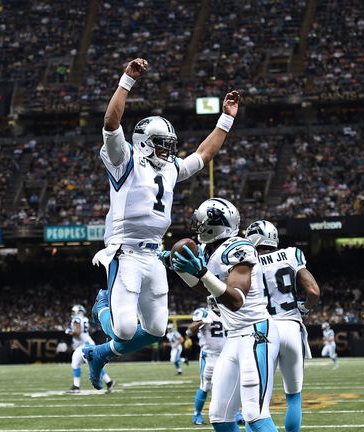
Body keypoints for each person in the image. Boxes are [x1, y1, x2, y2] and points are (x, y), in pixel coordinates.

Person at [82, 57, 239, 389]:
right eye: (163, 145)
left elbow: (204, 155)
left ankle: (100, 354)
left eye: (170, 146)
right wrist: (127, 80)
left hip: (153, 255)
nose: (169, 152)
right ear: (144, 142)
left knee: (154, 329)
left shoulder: (168, 168)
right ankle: (101, 306)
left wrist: (226, 118)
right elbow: (111, 122)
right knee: (124, 328)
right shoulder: (124, 159)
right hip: (124, 252)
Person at [170, 197, 280, 432]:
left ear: (214, 224)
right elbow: (206, 288)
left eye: (201, 220)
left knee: (255, 414)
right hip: (233, 338)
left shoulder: (239, 248)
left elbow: (236, 299)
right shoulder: (211, 251)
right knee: (220, 416)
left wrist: (200, 272)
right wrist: (180, 271)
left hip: (255, 333)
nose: (197, 224)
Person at [245, 219, 321, 432]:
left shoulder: (246, 261)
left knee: (258, 402)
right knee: (294, 397)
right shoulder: (291, 254)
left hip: (263, 329)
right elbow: (314, 292)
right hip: (290, 326)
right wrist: (304, 309)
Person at [186, 297, 227, 425]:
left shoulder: (230, 312)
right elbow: (189, 331)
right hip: (209, 356)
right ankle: (197, 414)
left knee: (230, 385)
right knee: (206, 386)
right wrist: (201, 322)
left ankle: (235, 414)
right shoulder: (204, 313)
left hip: (227, 355)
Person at [66, 305, 114, 393]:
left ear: (78, 312)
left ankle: (109, 382)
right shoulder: (85, 319)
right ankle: (76, 387)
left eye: (74, 312)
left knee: (92, 365)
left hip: (85, 346)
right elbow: (90, 330)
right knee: (75, 363)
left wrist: (70, 331)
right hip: (85, 345)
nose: (73, 314)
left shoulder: (77, 319)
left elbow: (78, 332)